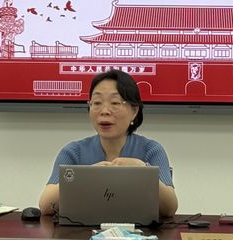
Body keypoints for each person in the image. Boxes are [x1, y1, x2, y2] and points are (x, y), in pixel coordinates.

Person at [38, 69, 178, 218]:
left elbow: (169, 208)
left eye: (115, 103)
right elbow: (46, 206)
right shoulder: (73, 152)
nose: (104, 111)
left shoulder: (151, 150)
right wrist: (86, 177)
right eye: (97, 103)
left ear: (134, 111)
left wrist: (143, 171)